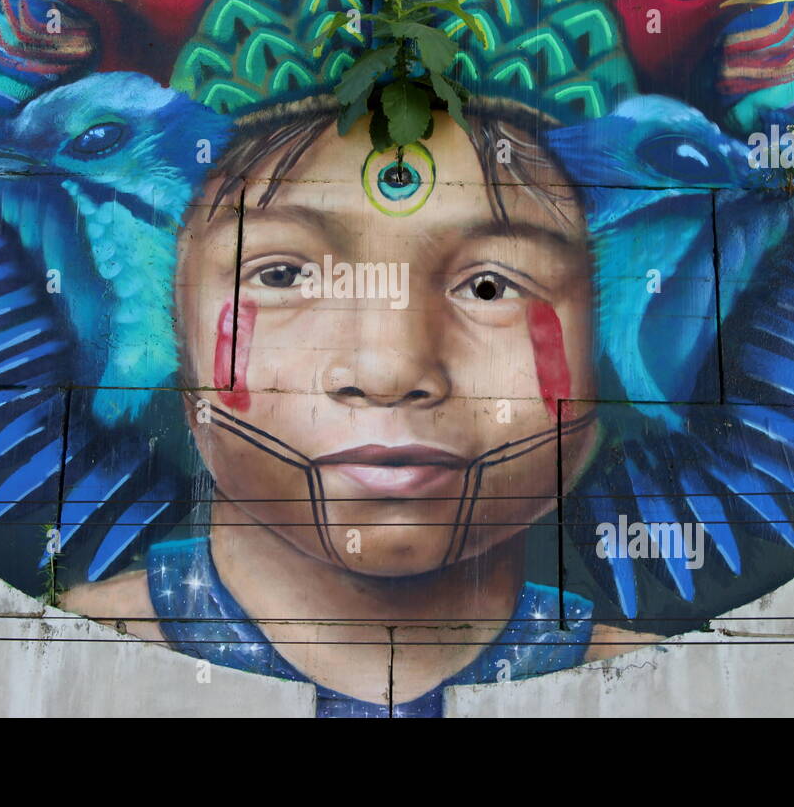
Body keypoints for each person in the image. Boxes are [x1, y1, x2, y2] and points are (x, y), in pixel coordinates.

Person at [62, 97, 664, 716]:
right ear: (175, 340)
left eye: (491, 286)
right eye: (282, 276)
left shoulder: (658, 693)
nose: (391, 371)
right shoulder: (62, 663)